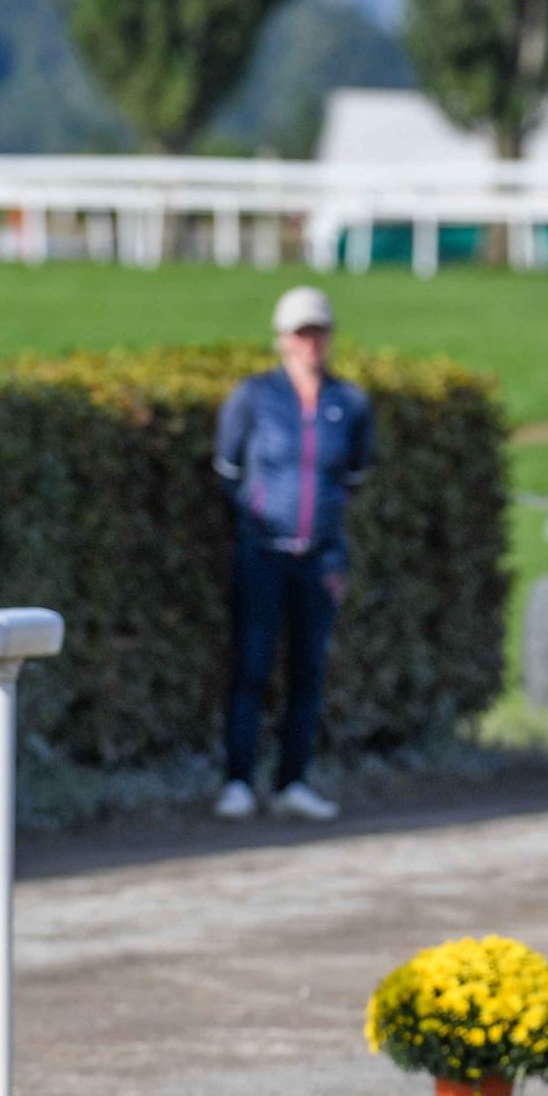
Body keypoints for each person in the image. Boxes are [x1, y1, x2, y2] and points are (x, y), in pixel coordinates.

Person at [213, 286, 372, 822]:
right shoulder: (254, 397)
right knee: (251, 668)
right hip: (262, 556)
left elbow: (351, 476)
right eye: (300, 334)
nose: (309, 343)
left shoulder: (347, 403)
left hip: (320, 559)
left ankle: (292, 781)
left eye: (317, 333)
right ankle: (237, 780)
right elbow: (230, 470)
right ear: (282, 339)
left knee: (308, 673)